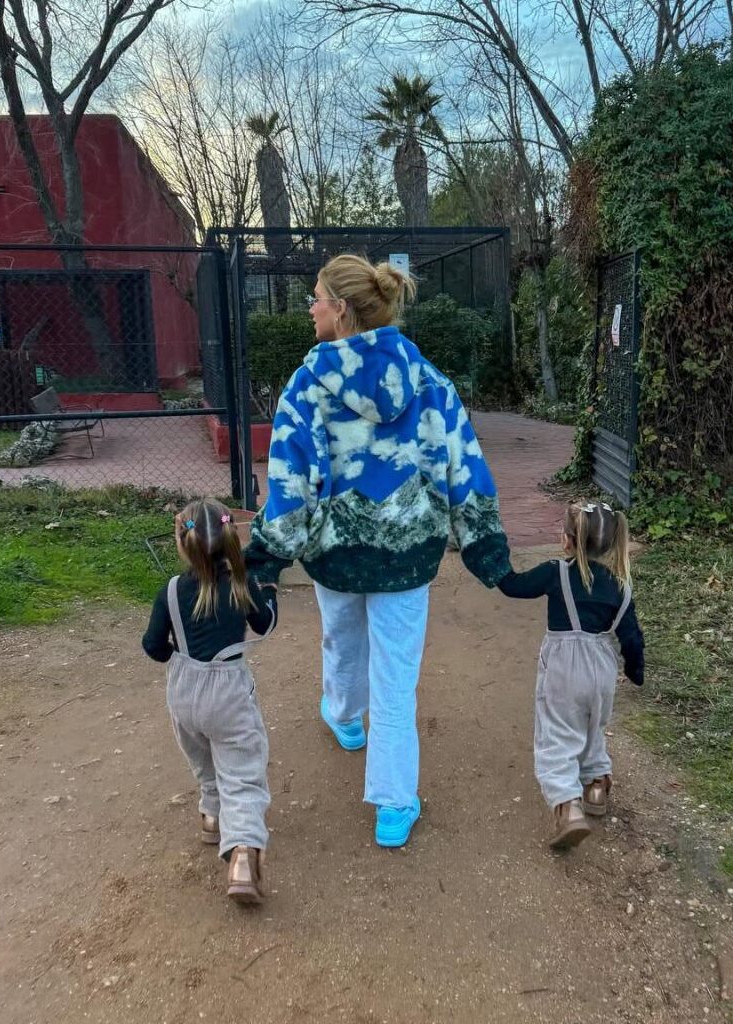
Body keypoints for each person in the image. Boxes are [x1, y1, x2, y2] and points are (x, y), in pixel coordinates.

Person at [244, 253, 512, 850]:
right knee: (397, 676)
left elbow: (291, 481)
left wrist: (264, 560)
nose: (309, 309)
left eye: (315, 297)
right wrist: (485, 546)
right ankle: (394, 802)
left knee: (341, 636)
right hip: (409, 557)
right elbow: (461, 462)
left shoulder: (307, 384)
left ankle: (342, 715)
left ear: (340, 310)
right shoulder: (429, 381)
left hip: (334, 555)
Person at [143, 498, 280, 904]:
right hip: (228, 692)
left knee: (203, 760)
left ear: (182, 542)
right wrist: (269, 591)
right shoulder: (242, 584)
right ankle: (242, 855)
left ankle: (210, 817)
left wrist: (178, 660)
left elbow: (152, 646)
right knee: (241, 773)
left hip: (183, 692)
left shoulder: (169, 591)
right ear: (230, 537)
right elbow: (265, 623)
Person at [497, 501, 644, 850]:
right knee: (592, 726)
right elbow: (632, 637)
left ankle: (568, 807)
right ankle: (595, 786)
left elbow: (512, 586)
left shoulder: (555, 572)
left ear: (567, 540)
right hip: (602, 668)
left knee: (557, 735)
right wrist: (636, 671)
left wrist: (496, 557)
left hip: (564, 668)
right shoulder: (619, 585)